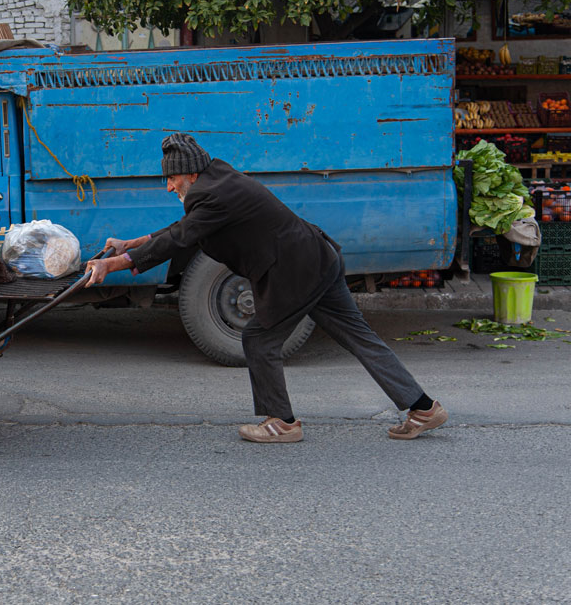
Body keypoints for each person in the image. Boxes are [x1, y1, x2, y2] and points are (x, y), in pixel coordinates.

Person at [85, 133, 448, 443]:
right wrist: (134, 242)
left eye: (173, 179)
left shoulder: (212, 194)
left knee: (259, 338)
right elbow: (187, 226)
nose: (169, 186)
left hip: (297, 272)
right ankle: (423, 408)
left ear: (192, 173)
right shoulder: (216, 177)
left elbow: (180, 238)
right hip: (318, 259)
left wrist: (112, 264)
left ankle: (282, 423)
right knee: (360, 337)